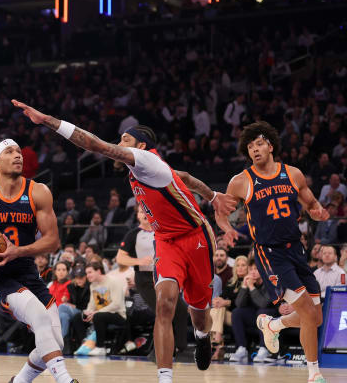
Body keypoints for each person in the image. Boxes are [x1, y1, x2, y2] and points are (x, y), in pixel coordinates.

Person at [13, 99, 236, 382]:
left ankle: (202, 335)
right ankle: (165, 378)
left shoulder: (146, 160)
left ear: (140, 146)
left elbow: (97, 146)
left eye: (125, 139)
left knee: (199, 311)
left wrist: (47, 120)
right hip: (167, 241)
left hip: (196, 237)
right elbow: (186, 177)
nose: (118, 144)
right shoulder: (146, 168)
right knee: (165, 304)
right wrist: (213, 196)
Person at [0, 138, 78, 383]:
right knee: (39, 317)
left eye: (19, 151)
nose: (18, 155)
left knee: (55, 341)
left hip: (27, 271)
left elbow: (53, 242)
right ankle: (64, 379)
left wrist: (18, 251)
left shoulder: (38, 191)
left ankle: (19, 381)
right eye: (10, 152)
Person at [215, 121, 329, 383]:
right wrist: (227, 229)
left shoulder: (293, 174)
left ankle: (273, 324)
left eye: (258, 143)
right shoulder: (241, 181)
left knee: (317, 317)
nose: (254, 149)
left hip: (296, 251)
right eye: (249, 146)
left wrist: (318, 211)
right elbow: (221, 212)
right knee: (308, 314)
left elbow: (310, 202)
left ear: (270, 145)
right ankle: (314, 373)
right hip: (270, 255)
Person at [116, 205, 189, 356]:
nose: (144, 214)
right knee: (163, 311)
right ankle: (160, 351)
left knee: (181, 309)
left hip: (165, 276)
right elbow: (120, 258)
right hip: (145, 279)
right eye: (140, 211)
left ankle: (181, 348)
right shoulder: (133, 234)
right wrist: (139, 261)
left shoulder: (162, 232)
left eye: (146, 211)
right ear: (137, 216)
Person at [229, 259, 279, 363]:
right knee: (237, 312)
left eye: (256, 269)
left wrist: (251, 287)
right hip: (256, 316)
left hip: (272, 317)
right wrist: (244, 286)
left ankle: (264, 348)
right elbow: (239, 304)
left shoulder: (271, 282)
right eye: (250, 269)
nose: (252, 272)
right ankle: (242, 348)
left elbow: (263, 303)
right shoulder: (249, 282)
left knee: (262, 312)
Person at [80, 262, 127, 356]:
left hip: (118, 315)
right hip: (101, 314)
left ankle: (100, 347)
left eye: (90, 272)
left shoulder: (113, 281)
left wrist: (96, 312)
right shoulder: (92, 285)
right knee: (78, 317)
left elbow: (116, 304)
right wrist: (88, 312)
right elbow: (91, 304)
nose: (87, 275)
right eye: (87, 273)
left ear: (98, 271)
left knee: (98, 316)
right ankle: (85, 344)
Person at [210, 255, 248, 360]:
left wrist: (226, 302)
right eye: (238, 265)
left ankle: (217, 342)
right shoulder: (231, 282)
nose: (240, 268)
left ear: (248, 267)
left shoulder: (249, 281)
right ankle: (218, 344)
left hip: (239, 317)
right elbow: (222, 296)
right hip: (227, 316)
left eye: (243, 265)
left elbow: (244, 304)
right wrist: (217, 301)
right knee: (216, 308)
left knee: (219, 309)